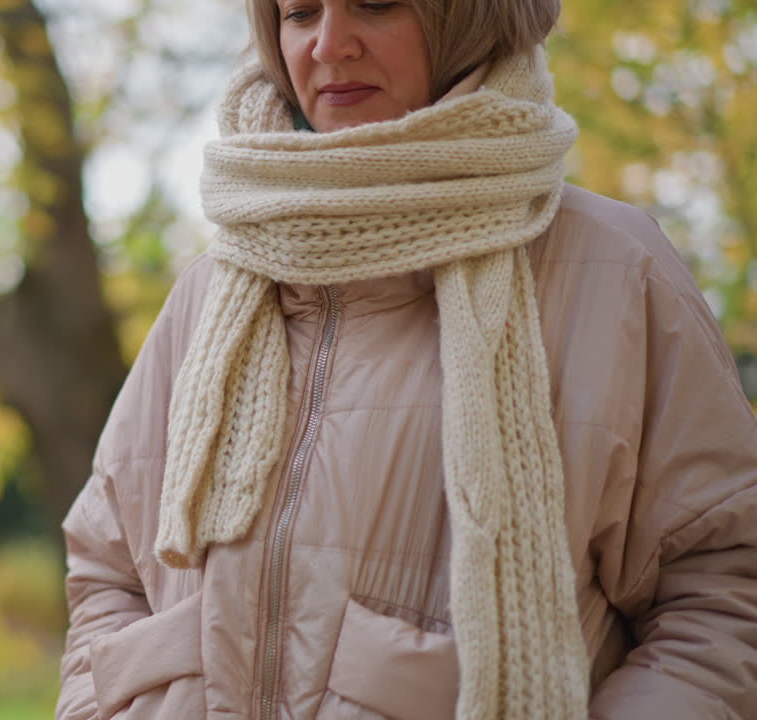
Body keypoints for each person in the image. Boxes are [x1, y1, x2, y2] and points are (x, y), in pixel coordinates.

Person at [55, 0, 757, 718]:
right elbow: (108, 569)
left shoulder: (612, 267)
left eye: (376, 4)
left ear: (468, 19)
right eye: (299, 13)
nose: (330, 44)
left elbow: (723, 593)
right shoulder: (215, 286)